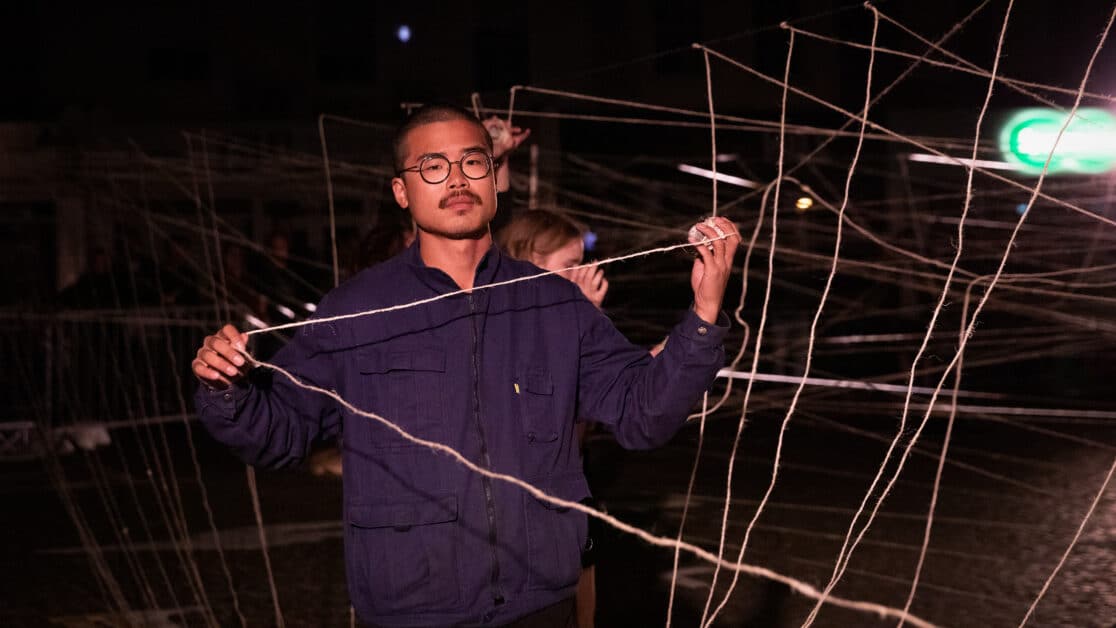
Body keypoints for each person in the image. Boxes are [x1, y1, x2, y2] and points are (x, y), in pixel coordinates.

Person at [192, 103, 739, 627]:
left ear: (491, 178)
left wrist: (704, 311)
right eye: (433, 166)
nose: (457, 178)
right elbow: (280, 431)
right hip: (411, 610)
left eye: (473, 161)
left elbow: (642, 412)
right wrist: (228, 387)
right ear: (402, 192)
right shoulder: (356, 310)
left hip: (540, 606)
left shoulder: (554, 304)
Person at [497, 209, 607, 628]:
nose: (582, 274)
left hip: (570, 490)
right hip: (523, 506)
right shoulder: (507, 324)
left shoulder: (571, 316)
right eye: (571, 266)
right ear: (530, 261)